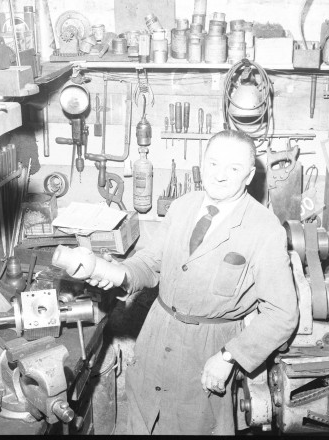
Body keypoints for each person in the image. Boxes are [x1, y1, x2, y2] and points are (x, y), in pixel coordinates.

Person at [86, 129, 299, 435]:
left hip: (209, 348)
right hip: (156, 334)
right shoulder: (182, 206)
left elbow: (282, 314)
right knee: (141, 421)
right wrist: (121, 273)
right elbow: (151, 262)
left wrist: (230, 356)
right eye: (213, 164)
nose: (220, 175)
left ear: (250, 176)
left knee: (194, 425)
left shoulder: (265, 230)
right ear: (202, 163)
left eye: (234, 168)